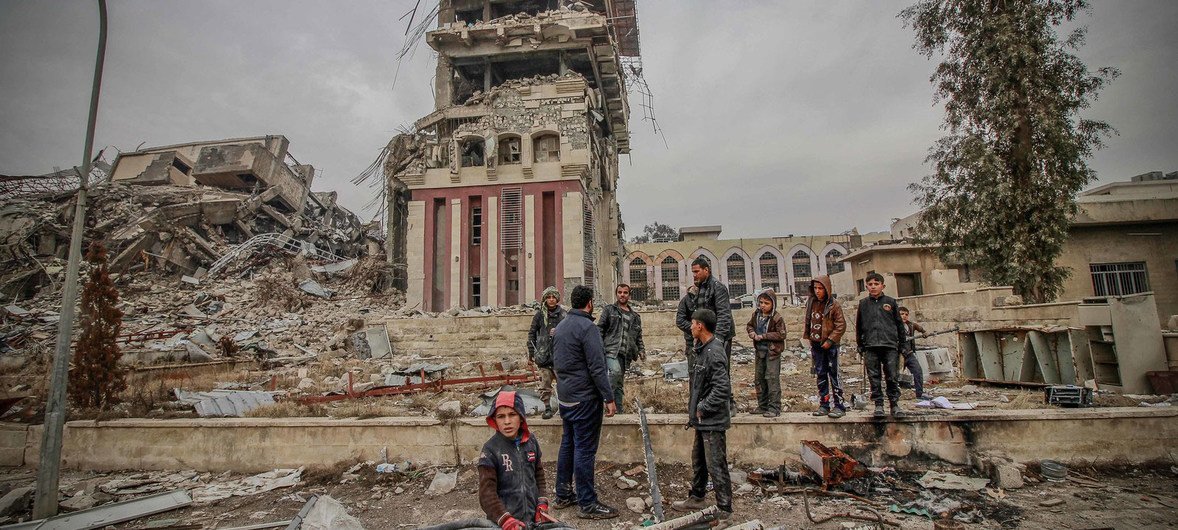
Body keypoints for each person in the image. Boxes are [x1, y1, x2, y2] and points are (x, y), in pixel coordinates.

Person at [552, 285, 618, 519]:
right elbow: (597, 367)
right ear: (590, 303)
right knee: (584, 449)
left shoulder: (561, 326)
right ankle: (587, 503)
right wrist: (608, 397)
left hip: (566, 397)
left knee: (568, 444)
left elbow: (556, 363)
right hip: (585, 399)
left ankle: (562, 494)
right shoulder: (588, 328)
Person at [671, 309, 733, 524]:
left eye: (693, 323)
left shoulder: (714, 352)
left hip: (712, 420)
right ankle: (697, 497)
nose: (690, 327)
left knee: (716, 464)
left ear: (700, 326)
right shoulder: (703, 349)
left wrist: (702, 408)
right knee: (699, 461)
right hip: (703, 420)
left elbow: (722, 388)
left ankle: (725, 511)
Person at [477, 389, 556, 529]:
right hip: (505, 523)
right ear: (494, 419)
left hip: (532, 520)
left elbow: (539, 476)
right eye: (501, 416)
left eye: (512, 414)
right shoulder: (490, 450)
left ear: (521, 417)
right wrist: (505, 519)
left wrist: (542, 503)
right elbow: (486, 494)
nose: (507, 422)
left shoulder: (531, 442)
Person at [681, 257, 734, 406]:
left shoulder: (718, 287)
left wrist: (718, 339)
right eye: (693, 272)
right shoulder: (699, 289)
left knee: (721, 371)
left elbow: (724, 315)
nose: (695, 275)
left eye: (697, 271)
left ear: (706, 270)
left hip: (719, 337)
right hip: (705, 338)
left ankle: (728, 404)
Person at [856, 273, 908, 418]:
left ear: (883, 286)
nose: (873, 287)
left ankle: (894, 404)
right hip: (871, 345)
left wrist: (902, 345)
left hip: (889, 345)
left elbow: (899, 325)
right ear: (866, 286)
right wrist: (860, 345)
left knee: (892, 376)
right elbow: (859, 326)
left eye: (876, 284)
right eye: (870, 284)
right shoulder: (863, 304)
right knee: (874, 377)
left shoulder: (890, 302)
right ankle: (878, 405)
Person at [597, 283, 645, 412]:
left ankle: (618, 410)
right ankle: (605, 402)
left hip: (625, 355)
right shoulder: (609, 310)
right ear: (616, 294)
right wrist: (598, 347)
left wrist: (641, 350)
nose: (622, 295)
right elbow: (600, 329)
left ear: (629, 295)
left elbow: (638, 336)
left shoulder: (635, 317)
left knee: (618, 384)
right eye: (620, 292)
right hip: (611, 351)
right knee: (615, 373)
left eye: (625, 292)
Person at [805, 275, 847, 419]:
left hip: (830, 345)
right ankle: (824, 404)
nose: (817, 291)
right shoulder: (811, 303)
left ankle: (839, 405)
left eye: (820, 288)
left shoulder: (833, 305)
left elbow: (841, 325)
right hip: (816, 345)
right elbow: (809, 321)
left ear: (826, 289)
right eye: (815, 288)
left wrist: (830, 340)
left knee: (834, 374)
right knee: (821, 374)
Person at [745, 289, 785, 417]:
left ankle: (774, 408)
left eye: (766, 303)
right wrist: (751, 332)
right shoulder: (756, 315)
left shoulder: (777, 318)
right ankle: (762, 405)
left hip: (772, 352)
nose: (763, 305)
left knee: (772, 379)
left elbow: (781, 334)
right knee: (759, 379)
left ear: (773, 304)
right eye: (761, 302)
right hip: (760, 352)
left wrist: (763, 336)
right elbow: (749, 325)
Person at [527, 286, 564, 419]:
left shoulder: (563, 315)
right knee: (545, 384)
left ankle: (563, 408)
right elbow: (532, 334)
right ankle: (547, 408)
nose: (551, 300)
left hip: (560, 356)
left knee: (563, 384)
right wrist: (531, 354)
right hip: (543, 356)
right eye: (548, 297)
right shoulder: (539, 315)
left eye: (553, 297)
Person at [899, 306, 927, 400]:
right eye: (902, 314)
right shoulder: (893, 326)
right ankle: (894, 396)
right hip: (897, 354)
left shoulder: (911, 325)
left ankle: (920, 394)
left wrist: (924, 332)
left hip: (909, 353)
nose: (904, 316)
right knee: (895, 376)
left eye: (906, 314)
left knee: (918, 371)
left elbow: (920, 329)